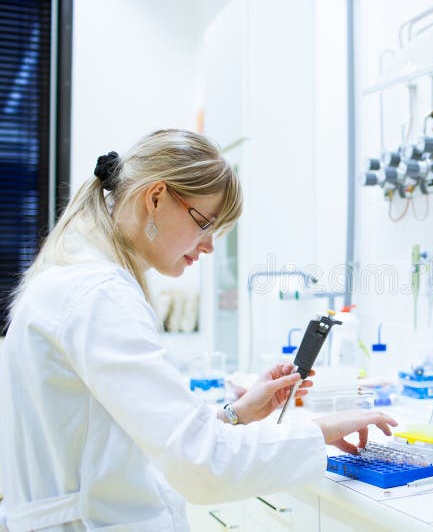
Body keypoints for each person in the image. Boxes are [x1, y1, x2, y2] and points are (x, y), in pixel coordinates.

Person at [0, 129, 397, 531]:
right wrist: (319, 431)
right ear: (155, 198)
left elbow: (130, 438)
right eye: (204, 223)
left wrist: (233, 415)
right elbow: (203, 464)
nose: (208, 247)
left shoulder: (75, 279)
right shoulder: (99, 295)